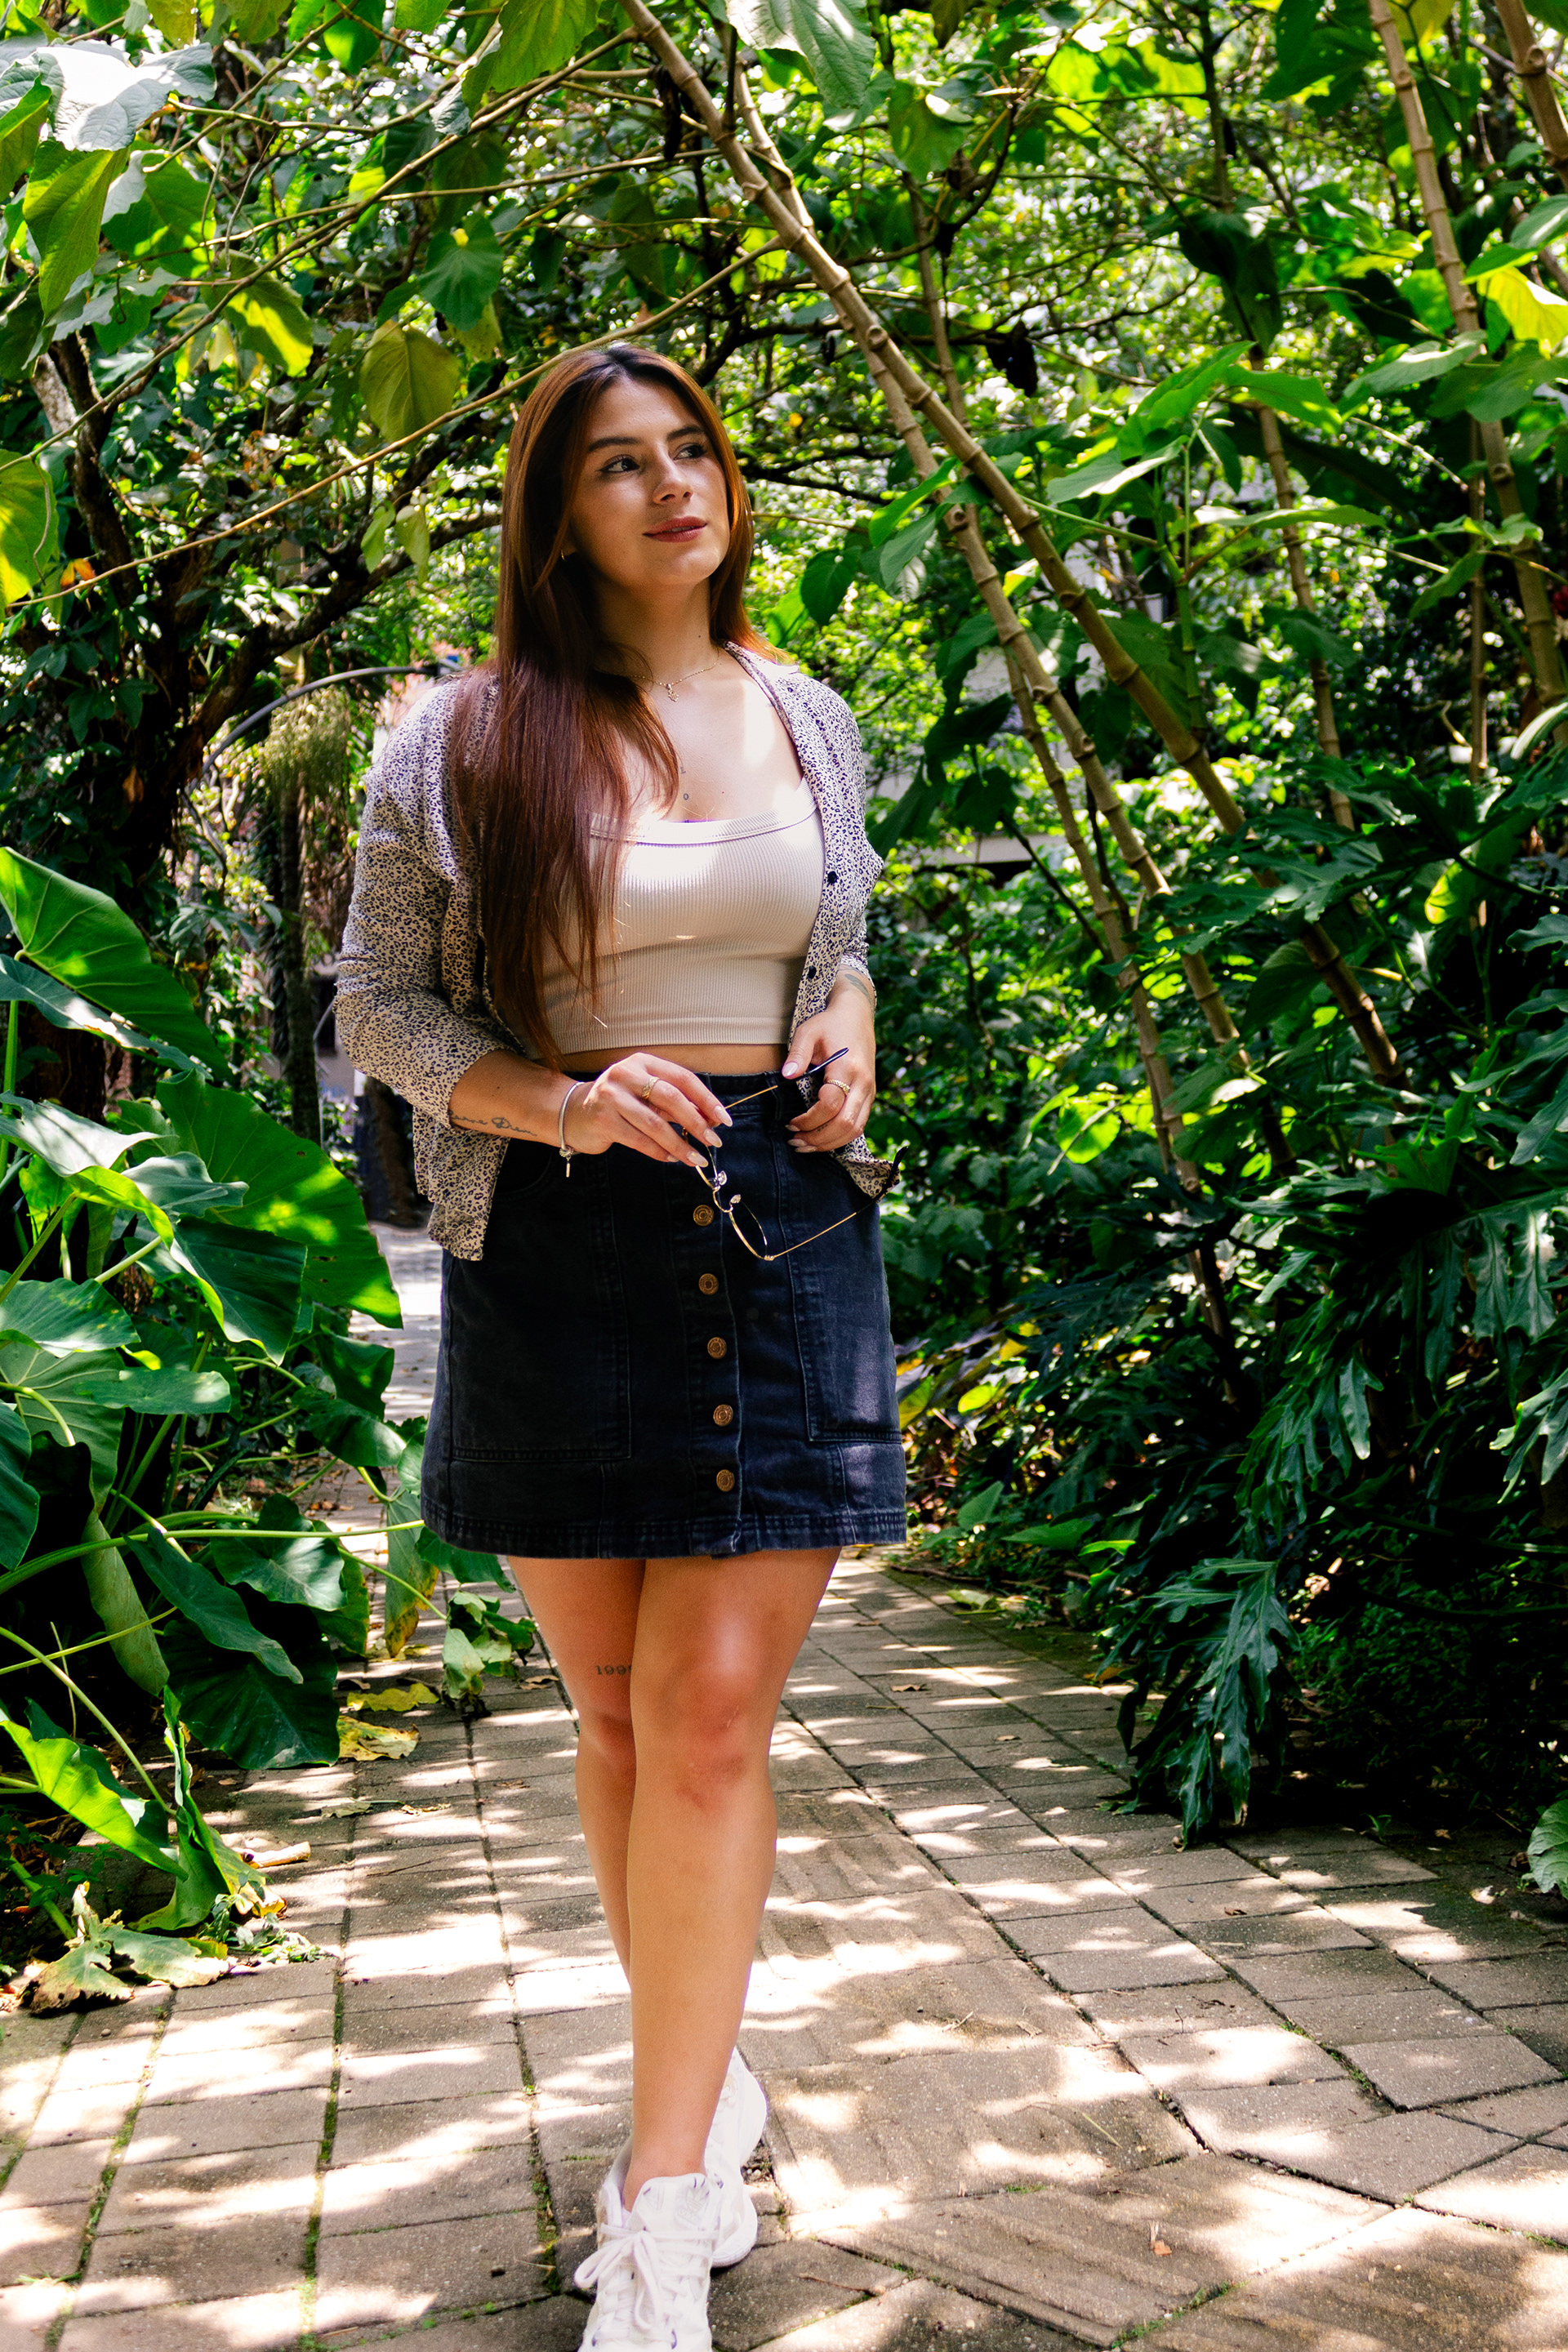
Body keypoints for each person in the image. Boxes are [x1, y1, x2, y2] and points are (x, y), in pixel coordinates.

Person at [336, 341, 905, 2352]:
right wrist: (561, 1103)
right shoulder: (460, 741)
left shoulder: (808, 714)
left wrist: (846, 1023)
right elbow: (380, 1009)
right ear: (555, 518)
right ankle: (703, 2077)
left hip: (782, 1224)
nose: (675, 489)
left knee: (709, 1714)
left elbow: (838, 937)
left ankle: (666, 2212)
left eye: (693, 452)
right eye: (618, 466)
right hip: (557, 1235)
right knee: (610, 1712)